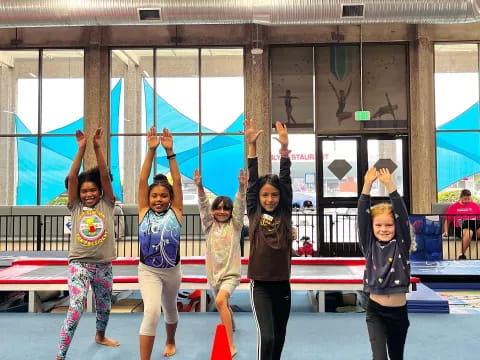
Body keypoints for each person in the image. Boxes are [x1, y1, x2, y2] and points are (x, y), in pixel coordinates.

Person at [56, 128, 119, 360]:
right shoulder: (75, 207)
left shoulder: (107, 204)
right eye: (84, 191)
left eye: (93, 190)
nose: (88, 194)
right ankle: (61, 353)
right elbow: (73, 178)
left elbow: (103, 174)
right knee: (77, 305)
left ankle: (100, 335)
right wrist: (81, 149)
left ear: (100, 191)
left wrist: (98, 148)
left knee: (104, 307)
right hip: (79, 264)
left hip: (103, 265)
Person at [245, 119, 293, 360]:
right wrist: (252, 148)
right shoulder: (254, 212)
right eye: (266, 195)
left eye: (274, 195)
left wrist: (284, 149)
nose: (270, 199)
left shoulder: (284, 212)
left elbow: (285, 180)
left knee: (281, 335)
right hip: (261, 285)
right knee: (269, 336)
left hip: (282, 282)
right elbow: (252, 183)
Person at [137, 126, 183, 359]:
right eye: (154, 195)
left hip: (172, 270)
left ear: (171, 198)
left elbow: (176, 179)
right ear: (148, 198)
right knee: (152, 311)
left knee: (171, 307)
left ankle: (171, 340)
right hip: (148, 270)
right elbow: (143, 179)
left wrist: (170, 152)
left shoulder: (176, 211)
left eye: (163, 196)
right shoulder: (143, 211)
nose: (158, 199)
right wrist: (150, 150)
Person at [358, 167, 411, 360]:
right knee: (379, 357)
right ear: (372, 228)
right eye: (378, 225)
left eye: (388, 225)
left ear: (396, 227)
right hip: (375, 311)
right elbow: (362, 219)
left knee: (396, 356)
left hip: (398, 313)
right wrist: (366, 186)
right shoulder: (369, 245)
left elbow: (402, 216)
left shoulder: (402, 245)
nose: (383, 229)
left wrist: (390, 185)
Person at [194, 168, 246, 357]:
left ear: (231, 211)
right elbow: (202, 206)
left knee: (220, 300)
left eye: (226, 208)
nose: (222, 211)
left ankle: (230, 344)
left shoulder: (235, 225)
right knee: (223, 304)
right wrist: (199, 187)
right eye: (218, 207)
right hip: (214, 274)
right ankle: (231, 322)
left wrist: (242, 188)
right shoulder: (209, 226)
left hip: (231, 274)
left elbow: (240, 206)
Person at [442, 189, 480, 260]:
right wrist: (446, 231)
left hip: (474, 226)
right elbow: (447, 220)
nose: (467, 201)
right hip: (460, 228)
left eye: (469, 199)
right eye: (465, 199)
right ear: (461, 197)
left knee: (473, 231)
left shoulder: (475, 206)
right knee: (469, 232)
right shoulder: (453, 207)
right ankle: (461, 255)